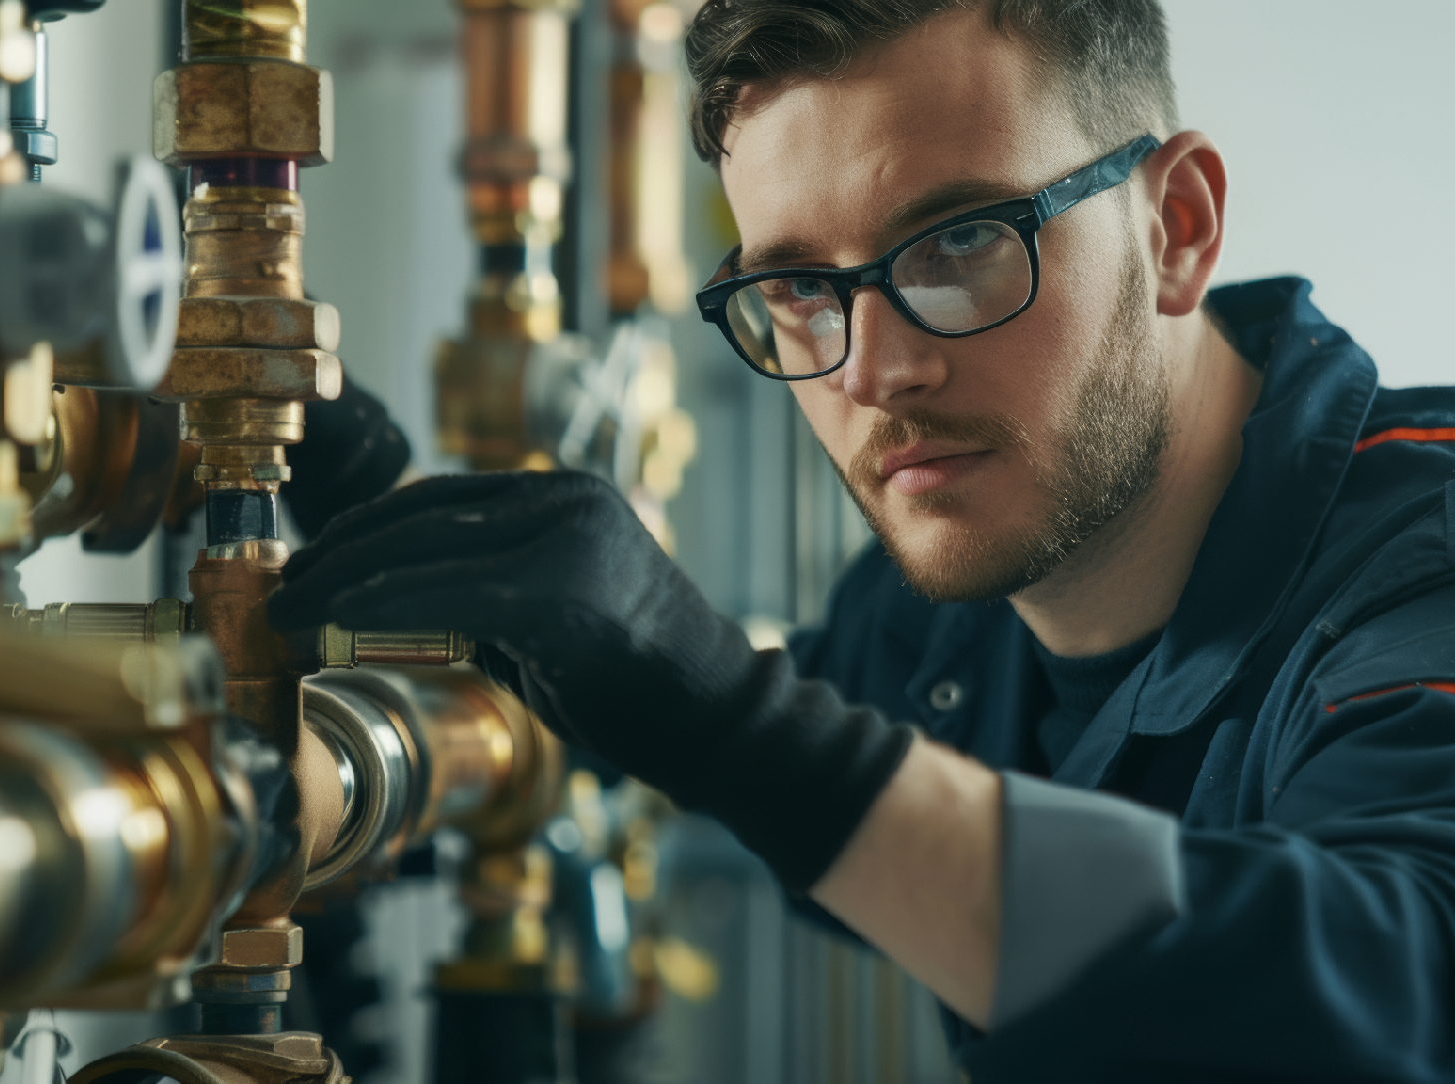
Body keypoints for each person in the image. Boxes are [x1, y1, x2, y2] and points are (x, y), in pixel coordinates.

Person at [268, 1, 1455, 1078]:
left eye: (962, 242)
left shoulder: (1417, 577)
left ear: (1178, 228)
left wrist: (739, 729)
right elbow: (744, 751)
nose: (878, 371)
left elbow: (1379, 987)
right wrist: (394, 505)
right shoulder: (952, 606)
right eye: (797, 290)